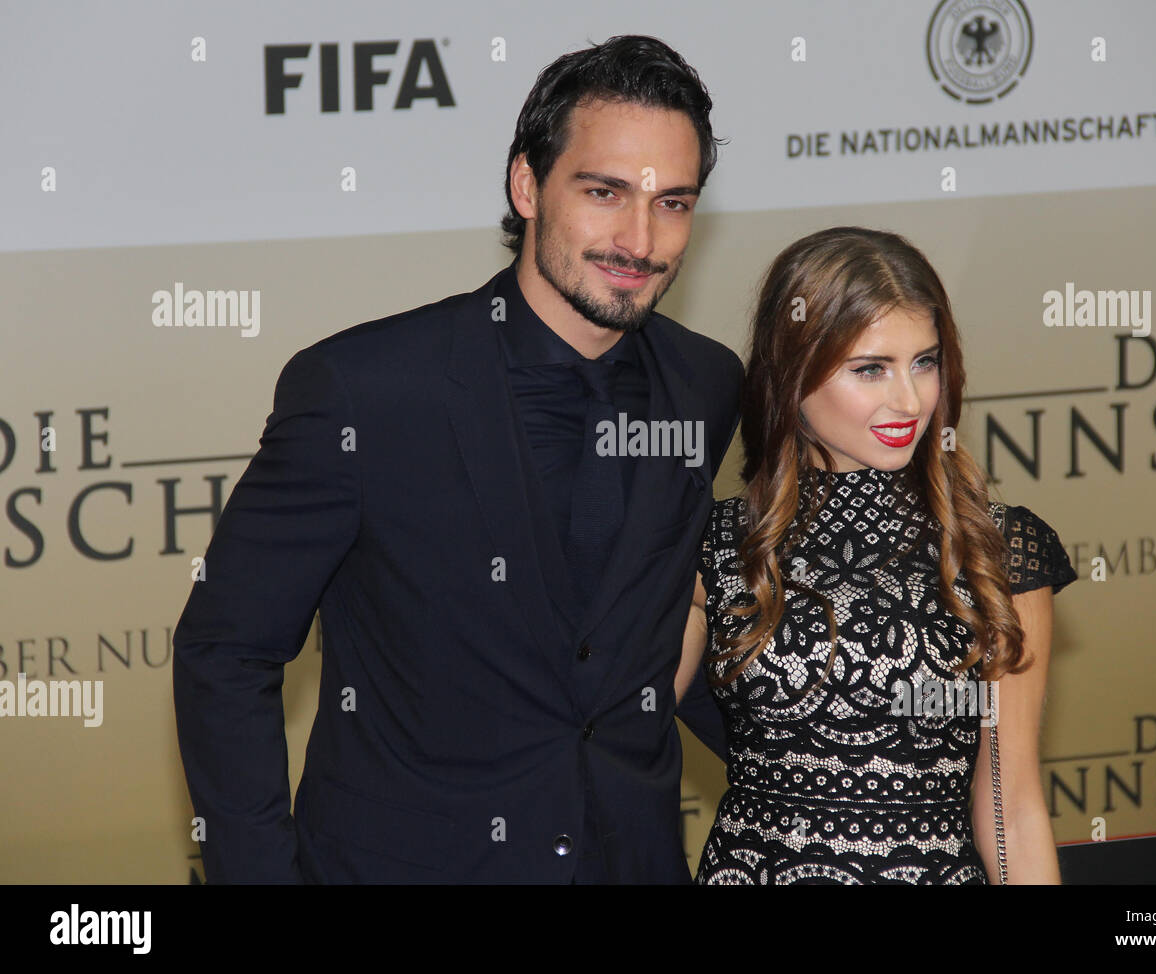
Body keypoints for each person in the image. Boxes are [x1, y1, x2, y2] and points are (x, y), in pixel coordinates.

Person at [172, 34, 744, 884]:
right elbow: (224, 653)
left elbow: (657, 635)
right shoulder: (363, 392)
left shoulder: (707, 383)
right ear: (527, 185)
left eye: (673, 203)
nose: (639, 238)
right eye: (604, 192)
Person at [679, 226, 1078, 884]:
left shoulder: (998, 549)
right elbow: (612, 738)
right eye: (871, 369)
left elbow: (1010, 806)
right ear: (792, 371)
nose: (909, 399)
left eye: (925, 361)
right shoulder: (718, 544)